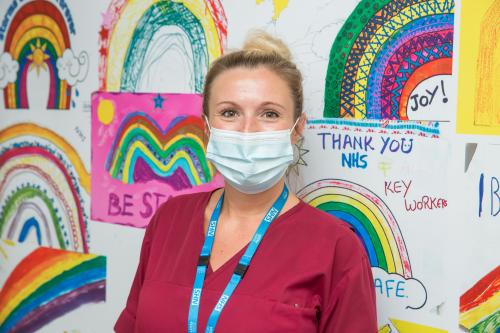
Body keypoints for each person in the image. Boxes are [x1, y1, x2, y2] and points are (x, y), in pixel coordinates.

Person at [114, 30, 377, 333]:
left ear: (297, 128)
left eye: (269, 113)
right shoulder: (169, 220)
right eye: (229, 112)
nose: (247, 130)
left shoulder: (337, 248)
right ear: (207, 127)